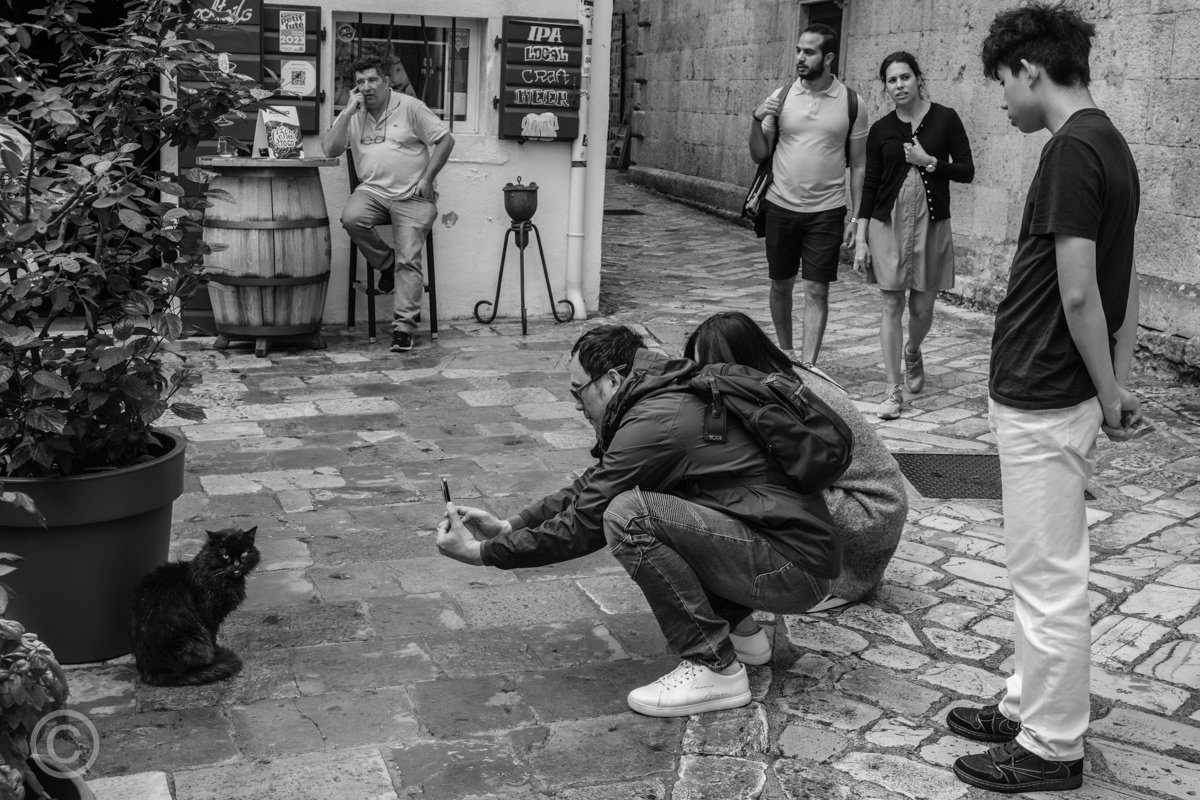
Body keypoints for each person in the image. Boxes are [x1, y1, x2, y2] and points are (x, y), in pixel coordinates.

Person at [435, 325, 841, 717]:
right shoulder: (662, 394)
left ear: (611, 380)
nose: (577, 404)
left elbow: (586, 521)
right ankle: (743, 635)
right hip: (795, 558)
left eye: (579, 391)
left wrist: (482, 554)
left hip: (792, 569)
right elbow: (597, 481)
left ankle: (713, 668)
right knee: (648, 502)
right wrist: (511, 526)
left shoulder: (657, 419)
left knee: (629, 515)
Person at [948, 3, 1142, 794]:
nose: (999, 99)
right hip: (1061, 392)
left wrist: (1105, 388)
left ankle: (1052, 746)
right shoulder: (1112, 145)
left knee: (1046, 575)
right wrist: (1116, 389)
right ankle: (1027, 701)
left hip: (1042, 392)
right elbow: (1121, 292)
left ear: (1030, 69)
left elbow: (1080, 294)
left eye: (1000, 81)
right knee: (1040, 564)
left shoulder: (1071, 150)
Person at [683, 311, 908, 608]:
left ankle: (821, 580)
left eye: (709, 367)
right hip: (869, 506)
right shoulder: (776, 375)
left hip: (871, 509)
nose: (703, 377)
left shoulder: (781, 396)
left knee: (750, 482)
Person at [853, 52, 974, 420]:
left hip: (931, 222)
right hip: (886, 225)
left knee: (922, 308)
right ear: (885, 86)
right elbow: (870, 184)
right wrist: (860, 235)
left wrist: (929, 161)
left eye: (905, 77)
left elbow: (967, 171)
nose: (899, 85)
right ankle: (892, 390)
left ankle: (913, 351)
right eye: (891, 80)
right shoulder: (881, 130)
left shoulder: (945, 119)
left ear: (919, 79)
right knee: (891, 305)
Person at [749, 23, 868, 364]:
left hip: (827, 210)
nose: (800, 57)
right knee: (781, 285)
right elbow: (760, 154)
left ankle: (809, 366)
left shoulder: (852, 103)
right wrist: (756, 120)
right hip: (780, 205)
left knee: (817, 289)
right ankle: (786, 356)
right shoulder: (781, 96)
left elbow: (858, 165)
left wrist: (856, 218)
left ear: (828, 57)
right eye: (799, 50)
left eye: (809, 51)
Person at [320, 54, 454, 353]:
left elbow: (446, 140)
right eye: (359, 82)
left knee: (410, 258)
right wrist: (345, 114)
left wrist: (428, 179)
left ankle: (404, 328)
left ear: (386, 81)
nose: (366, 87)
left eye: (372, 80)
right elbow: (329, 150)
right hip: (373, 192)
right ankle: (386, 262)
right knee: (352, 218)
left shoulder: (410, 107)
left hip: (412, 194)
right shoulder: (353, 113)